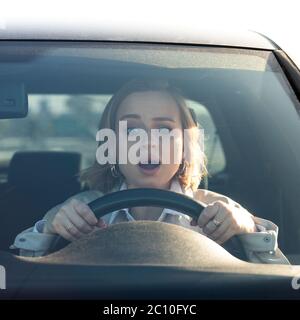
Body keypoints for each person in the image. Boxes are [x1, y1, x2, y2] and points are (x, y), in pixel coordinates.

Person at [11, 79, 289, 264]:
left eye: (164, 129)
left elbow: (279, 280)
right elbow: (21, 274)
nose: (148, 141)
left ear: (185, 145)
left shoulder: (217, 210)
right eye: (131, 129)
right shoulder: (81, 210)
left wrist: (247, 228)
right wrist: (51, 229)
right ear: (112, 144)